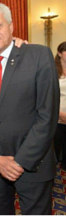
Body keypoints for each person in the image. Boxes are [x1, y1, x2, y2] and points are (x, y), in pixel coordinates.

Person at [0, 2, 58, 215]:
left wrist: (20, 162)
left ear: (11, 26)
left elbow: (47, 116)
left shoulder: (38, 56)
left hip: (33, 164)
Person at [56, 41, 66, 169]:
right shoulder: (52, 71)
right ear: (59, 53)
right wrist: (59, 113)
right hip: (57, 116)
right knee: (56, 150)